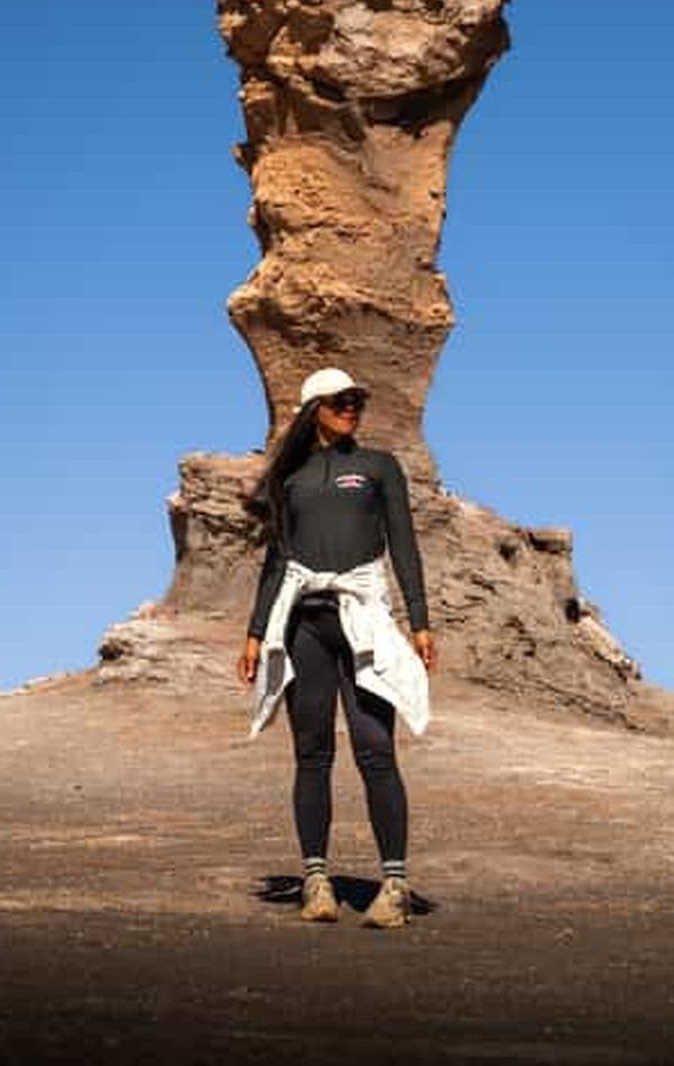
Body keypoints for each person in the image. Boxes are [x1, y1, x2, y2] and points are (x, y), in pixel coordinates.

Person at [235, 366, 438, 929]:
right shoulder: (292, 479)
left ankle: (394, 885)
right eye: (342, 401)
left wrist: (420, 621)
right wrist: (256, 632)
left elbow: (404, 545)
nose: (353, 408)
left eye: (357, 400)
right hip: (306, 624)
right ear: (313, 409)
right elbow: (277, 561)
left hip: (364, 619)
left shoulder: (377, 468)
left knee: (375, 747)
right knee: (312, 752)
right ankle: (316, 882)